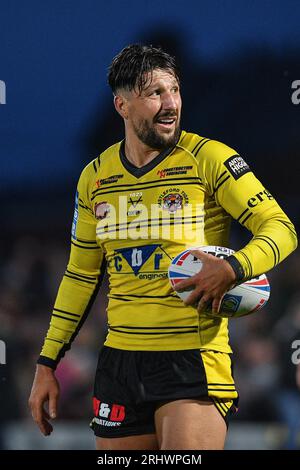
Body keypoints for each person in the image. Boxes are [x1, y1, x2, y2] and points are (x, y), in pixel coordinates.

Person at [29, 44, 297, 450]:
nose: (170, 103)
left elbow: (281, 228)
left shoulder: (209, 159)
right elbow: (80, 275)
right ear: (122, 105)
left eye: (174, 90)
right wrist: (47, 363)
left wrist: (234, 267)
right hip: (119, 361)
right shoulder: (95, 177)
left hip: (191, 357)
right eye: (155, 93)